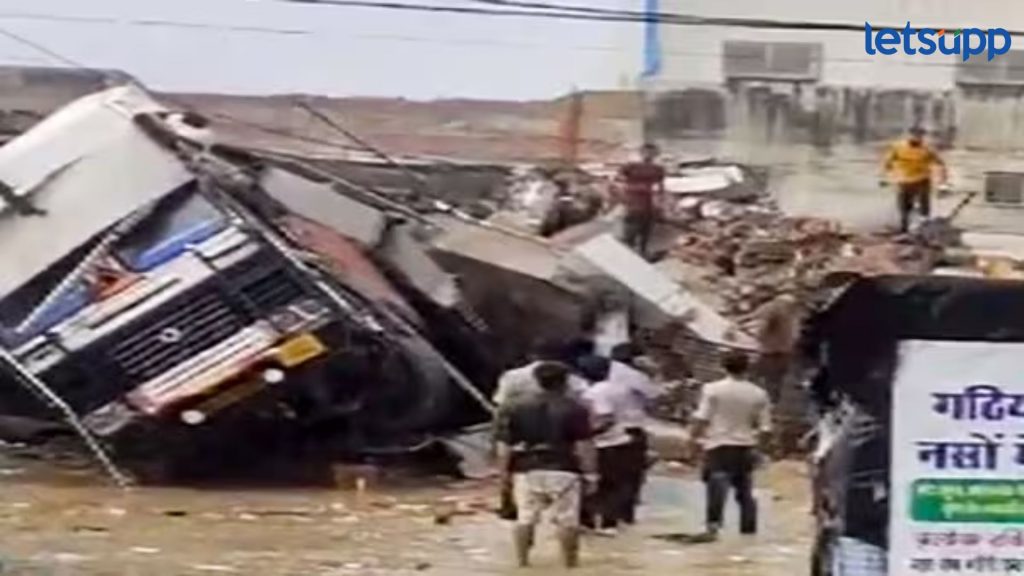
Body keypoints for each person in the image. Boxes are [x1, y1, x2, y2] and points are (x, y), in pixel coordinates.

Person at [495, 362, 598, 568]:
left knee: (525, 518)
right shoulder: (575, 408)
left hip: (526, 468)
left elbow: (503, 445)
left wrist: (503, 473)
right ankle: (570, 565)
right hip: (564, 468)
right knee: (568, 520)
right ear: (566, 381)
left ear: (536, 380)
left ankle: (523, 563)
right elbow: (584, 445)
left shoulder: (513, 406)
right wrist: (591, 474)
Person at [689, 351, 773, 536]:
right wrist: (760, 451)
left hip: (718, 445)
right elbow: (766, 429)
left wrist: (692, 440)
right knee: (745, 492)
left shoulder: (712, 389)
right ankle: (748, 533)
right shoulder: (759, 394)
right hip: (745, 446)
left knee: (716, 487)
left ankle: (713, 528)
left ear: (723, 366)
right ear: (747, 368)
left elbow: (702, 418)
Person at [608, 343, 662, 525]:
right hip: (630, 429)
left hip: (603, 428)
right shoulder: (635, 376)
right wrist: (654, 374)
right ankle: (625, 516)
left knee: (607, 474)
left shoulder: (604, 371)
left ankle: (602, 517)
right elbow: (655, 398)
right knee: (631, 475)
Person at [578, 355, 633, 535]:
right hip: (620, 440)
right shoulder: (620, 389)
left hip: (602, 444)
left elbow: (605, 418)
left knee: (592, 483)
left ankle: (589, 523)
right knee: (614, 485)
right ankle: (610, 523)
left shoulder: (594, 393)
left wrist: (586, 434)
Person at [881, 126, 948, 233]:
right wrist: (885, 177)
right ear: (909, 135)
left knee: (924, 204)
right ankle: (904, 228)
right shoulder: (898, 147)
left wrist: (943, 184)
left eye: (920, 135)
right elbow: (887, 164)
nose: (917, 138)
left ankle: (923, 226)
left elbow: (940, 165)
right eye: (914, 135)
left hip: (922, 180)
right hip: (904, 180)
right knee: (904, 208)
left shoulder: (928, 149)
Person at [492, 338, 589, 409]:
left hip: (524, 426)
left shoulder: (511, 376)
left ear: (531, 356)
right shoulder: (568, 375)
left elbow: (500, 403)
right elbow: (585, 396)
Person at [615, 143, 665, 258]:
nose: (649, 155)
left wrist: (660, 203)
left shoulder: (658, 169)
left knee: (646, 230)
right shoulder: (630, 166)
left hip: (648, 203)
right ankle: (627, 252)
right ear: (641, 153)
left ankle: (642, 251)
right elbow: (618, 179)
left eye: (652, 153)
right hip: (633, 202)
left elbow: (660, 187)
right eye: (646, 152)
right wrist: (623, 194)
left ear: (656, 154)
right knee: (631, 229)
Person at [754, 293, 802, 403]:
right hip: (785, 351)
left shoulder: (773, 310)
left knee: (760, 377)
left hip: (769, 351)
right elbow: (796, 334)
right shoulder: (793, 314)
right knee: (776, 380)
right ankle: (772, 404)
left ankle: (760, 404)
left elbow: (762, 329)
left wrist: (759, 339)